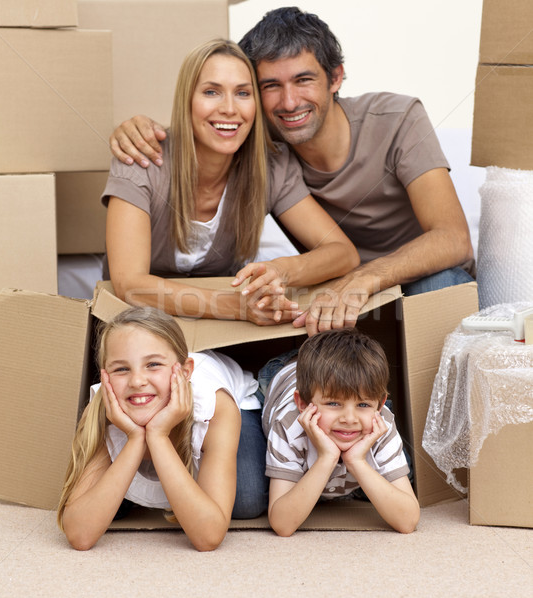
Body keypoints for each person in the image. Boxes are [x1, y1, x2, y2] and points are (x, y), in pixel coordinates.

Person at [110, 8, 475, 335]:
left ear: (336, 78)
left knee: (443, 284)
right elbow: (128, 281)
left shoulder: (395, 121)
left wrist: (352, 279)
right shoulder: (250, 142)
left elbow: (453, 239)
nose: (288, 102)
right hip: (324, 298)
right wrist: (133, 127)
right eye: (270, 86)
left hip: (395, 283)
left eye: (303, 80)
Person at [102, 38, 358, 328]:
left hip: (221, 331)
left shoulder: (271, 167)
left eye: (243, 93)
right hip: (140, 326)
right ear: (187, 100)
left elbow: (343, 253)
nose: (229, 108)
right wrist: (237, 307)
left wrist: (281, 270)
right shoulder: (142, 157)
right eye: (211, 92)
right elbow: (129, 284)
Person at [57, 306, 261, 551]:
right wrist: (135, 439)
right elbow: (79, 535)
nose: (137, 381)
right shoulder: (103, 408)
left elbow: (208, 537)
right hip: (152, 413)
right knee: (104, 507)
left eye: (153, 365)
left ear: (185, 372)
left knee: (246, 500)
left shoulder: (214, 407)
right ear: (105, 378)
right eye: (121, 369)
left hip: (238, 399)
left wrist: (159, 436)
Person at [261, 328, 420, 536]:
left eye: (363, 405)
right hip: (281, 374)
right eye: (333, 403)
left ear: (380, 405)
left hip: (342, 387)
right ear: (302, 404)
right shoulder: (289, 426)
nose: (349, 419)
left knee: (407, 473)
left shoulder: (381, 425)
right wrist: (327, 457)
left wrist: (356, 461)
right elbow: (282, 524)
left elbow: (408, 521)